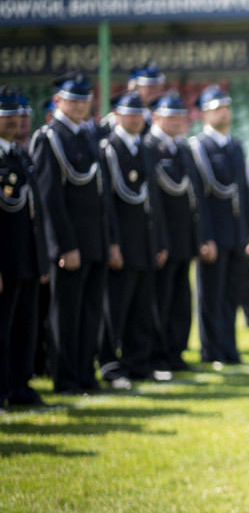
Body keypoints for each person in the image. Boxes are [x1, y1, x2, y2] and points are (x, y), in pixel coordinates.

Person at [31, 72, 112, 394]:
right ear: (58, 101)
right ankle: (65, 378)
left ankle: (84, 375)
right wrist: (64, 245)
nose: (80, 106)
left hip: (95, 242)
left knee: (91, 313)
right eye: (73, 100)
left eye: (84, 100)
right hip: (71, 246)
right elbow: (50, 198)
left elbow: (100, 194)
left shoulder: (86, 136)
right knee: (66, 316)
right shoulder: (49, 137)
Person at [97, 91, 168, 384]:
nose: (137, 119)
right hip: (122, 243)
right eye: (130, 114)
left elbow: (153, 200)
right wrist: (112, 242)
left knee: (141, 307)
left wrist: (160, 241)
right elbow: (107, 204)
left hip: (145, 241)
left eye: (140, 114)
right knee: (115, 308)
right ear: (116, 115)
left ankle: (138, 363)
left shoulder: (144, 148)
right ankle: (110, 366)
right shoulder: (108, 149)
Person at [189, 85, 249, 366]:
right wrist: (204, 238)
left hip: (236, 234)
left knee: (231, 294)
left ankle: (230, 350)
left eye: (226, 107)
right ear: (204, 113)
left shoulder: (235, 145)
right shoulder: (199, 147)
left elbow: (243, 191)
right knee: (211, 296)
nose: (224, 113)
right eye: (217, 108)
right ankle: (211, 351)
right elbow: (199, 201)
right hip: (214, 235)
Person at [145, 90, 209, 372]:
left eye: (180, 116)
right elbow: (154, 204)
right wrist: (160, 241)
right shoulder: (149, 147)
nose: (176, 122)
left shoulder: (182, 149)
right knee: (160, 301)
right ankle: (158, 355)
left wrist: (197, 240)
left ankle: (176, 352)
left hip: (184, 240)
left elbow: (194, 198)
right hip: (164, 240)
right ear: (156, 117)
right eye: (170, 117)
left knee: (181, 301)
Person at [0, 85, 49, 408]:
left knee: (24, 328)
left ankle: (21, 386)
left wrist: (41, 261)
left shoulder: (19, 154)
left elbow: (34, 212)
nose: (19, 119)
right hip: (5, 262)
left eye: (21, 113)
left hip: (27, 260)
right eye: (10, 113)